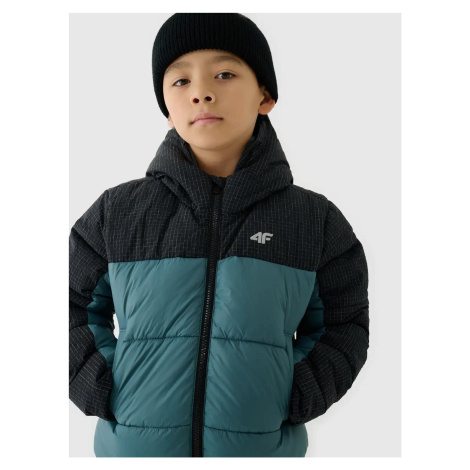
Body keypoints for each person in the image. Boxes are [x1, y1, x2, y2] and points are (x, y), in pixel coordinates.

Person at [69, 13, 370, 458]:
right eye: (180, 81)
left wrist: (294, 393)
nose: (201, 92)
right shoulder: (118, 213)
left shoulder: (313, 222)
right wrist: (106, 386)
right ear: (166, 108)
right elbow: (65, 306)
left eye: (224, 74)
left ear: (265, 95)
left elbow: (344, 326)